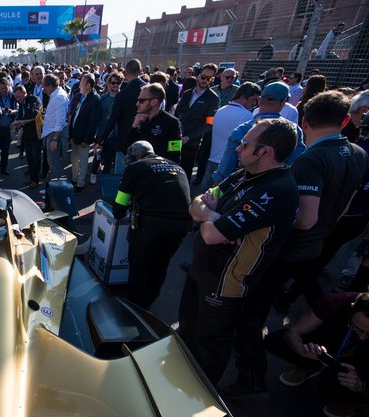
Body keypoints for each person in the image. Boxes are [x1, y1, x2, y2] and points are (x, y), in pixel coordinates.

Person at [227, 92, 368, 399]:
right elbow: (345, 207)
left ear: (304, 120)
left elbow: (305, 218)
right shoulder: (358, 153)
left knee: (251, 310)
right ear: (345, 121)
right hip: (318, 247)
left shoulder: (311, 159)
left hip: (288, 251)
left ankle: (251, 376)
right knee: (314, 302)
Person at [179, 119, 300, 387]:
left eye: (245, 144)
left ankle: (201, 398)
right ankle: (181, 383)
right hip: (202, 271)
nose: (237, 149)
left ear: (266, 151)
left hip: (226, 285)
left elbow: (211, 234)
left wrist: (209, 217)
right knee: (187, 330)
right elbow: (195, 204)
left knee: (209, 346)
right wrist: (215, 216)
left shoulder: (276, 190)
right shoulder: (243, 173)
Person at [265, 291, 369, 417]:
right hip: (332, 345)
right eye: (358, 328)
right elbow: (293, 331)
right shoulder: (336, 302)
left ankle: (352, 402)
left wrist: (362, 385)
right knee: (277, 341)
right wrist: (302, 351)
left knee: (333, 383)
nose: (362, 337)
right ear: (352, 307)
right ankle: (310, 365)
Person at [112, 141, 191, 309]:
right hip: (181, 225)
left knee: (139, 266)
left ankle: (134, 309)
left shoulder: (135, 168)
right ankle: (149, 300)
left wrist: (119, 212)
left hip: (151, 224)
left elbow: (119, 205)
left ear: (134, 156)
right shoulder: (177, 166)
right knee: (161, 264)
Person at [213, 82, 305, 183]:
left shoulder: (243, 129)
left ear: (259, 100)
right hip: (275, 185)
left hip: (242, 184)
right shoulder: (294, 131)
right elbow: (294, 162)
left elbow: (227, 165)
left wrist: (217, 183)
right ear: (283, 102)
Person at [200, 82, 261, 190]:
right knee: (218, 200)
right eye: (253, 100)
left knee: (203, 195)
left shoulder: (220, 110)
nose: (255, 104)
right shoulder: (247, 116)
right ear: (243, 97)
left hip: (212, 159)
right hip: (228, 164)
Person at [97, 59, 147, 173]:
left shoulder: (123, 94)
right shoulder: (151, 90)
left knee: (122, 175)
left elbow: (112, 119)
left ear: (126, 73)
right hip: (146, 140)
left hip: (125, 140)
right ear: (140, 71)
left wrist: (101, 140)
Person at [174, 63, 219, 182]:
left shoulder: (213, 99)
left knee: (184, 172)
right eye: (203, 77)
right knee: (171, 168)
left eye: (209, 78)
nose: (205, 80)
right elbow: (177, 114)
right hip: (176, 138)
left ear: (212, 80)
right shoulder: (186, 93)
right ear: (198, 76)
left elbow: (209, 124)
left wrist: (189, 137)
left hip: (191, 143)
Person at [123, 82, 183, 164]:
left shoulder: (172, 123)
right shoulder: (137, 120)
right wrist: (133, 128)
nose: (137, 104)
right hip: (138, 170)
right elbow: (124, 149)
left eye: (141, 101)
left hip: (159, 171)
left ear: (153, 101)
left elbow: (175, 154)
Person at [67, 73, 102, 192]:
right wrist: (71, 135)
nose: (79, 85)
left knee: (82, 162)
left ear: (88, 85)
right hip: (75, 136)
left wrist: (87, 140)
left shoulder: (95, 100)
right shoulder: (81, 96)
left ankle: (80, 183)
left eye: (81, 83)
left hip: (83, 139)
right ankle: (75, 179)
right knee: (74, 160)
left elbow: (93, 123)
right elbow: (74, 116)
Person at [40, 73, 70, 182]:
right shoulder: (57, 94)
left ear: (50, 86)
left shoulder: (58, 97)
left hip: (54, 134)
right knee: (52, 162)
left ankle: (57, 189)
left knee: (54, 162)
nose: (44, 90)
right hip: (52, 132)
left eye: (44, 87)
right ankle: (54, 187)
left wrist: (54, 139)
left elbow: (60, 121)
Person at [12, 85, 42, 188]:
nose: (17, 99)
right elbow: (20, 116)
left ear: (24, 93)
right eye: (16, 97)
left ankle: (36, 181)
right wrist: (17, 124)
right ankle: (31, 179)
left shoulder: (34, 100)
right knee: (29, 157)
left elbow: (34, 114)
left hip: (36, 133)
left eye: (19, 97)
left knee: (36, 157)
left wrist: (20, 121)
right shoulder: (21, 104)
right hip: (27, 133)